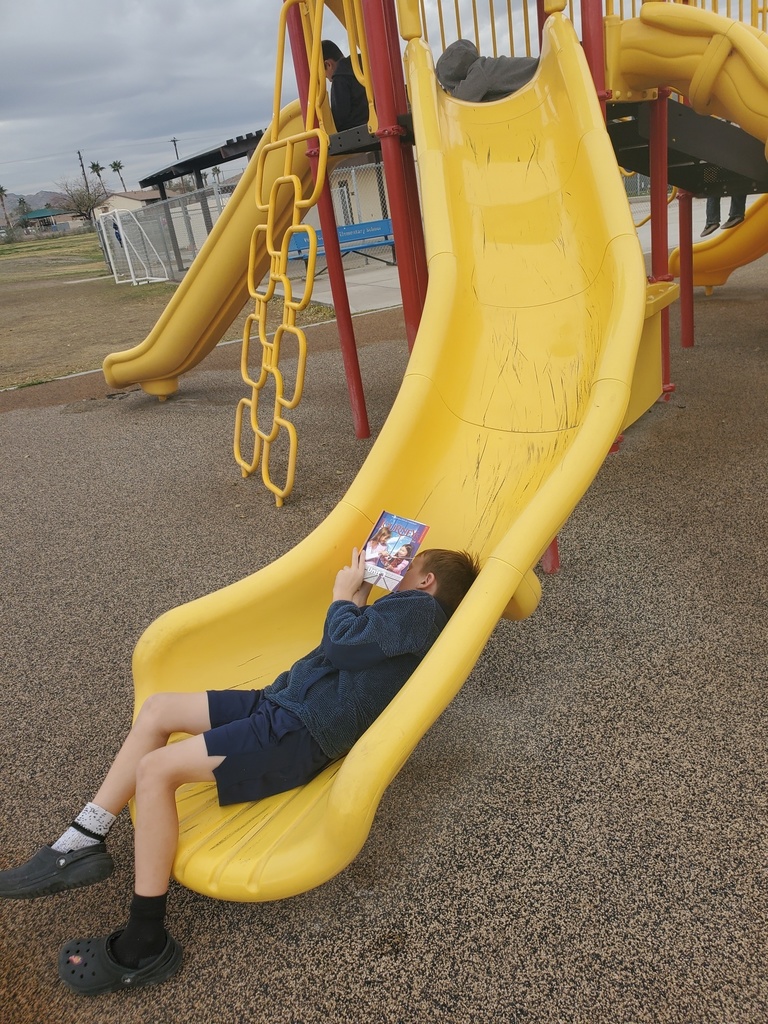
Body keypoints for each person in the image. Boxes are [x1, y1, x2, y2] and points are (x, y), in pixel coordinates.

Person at [0, 546, 480, 995]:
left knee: (156, 771)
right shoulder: (404, 617)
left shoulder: (420, 613)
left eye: (408, 566)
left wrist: (341, 598)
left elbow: (342, 648)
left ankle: (146, 942)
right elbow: (350, 650)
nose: (399, 573)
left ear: (426, 580)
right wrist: (356, 600)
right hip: (279, 703)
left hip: (295, 731)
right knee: (158, 710)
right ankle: (84, 837)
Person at [435, 38, 539, 103]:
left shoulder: (480, 72)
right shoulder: (483, 67)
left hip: (539, 73)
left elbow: (460, 100)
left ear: (453, 77)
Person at [321, 39, 370, 132]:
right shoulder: (364, 64)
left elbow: (339, 119)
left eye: (324, 74)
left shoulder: (340, 78)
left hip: (358, 135)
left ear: (328, 64)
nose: (327, 78)